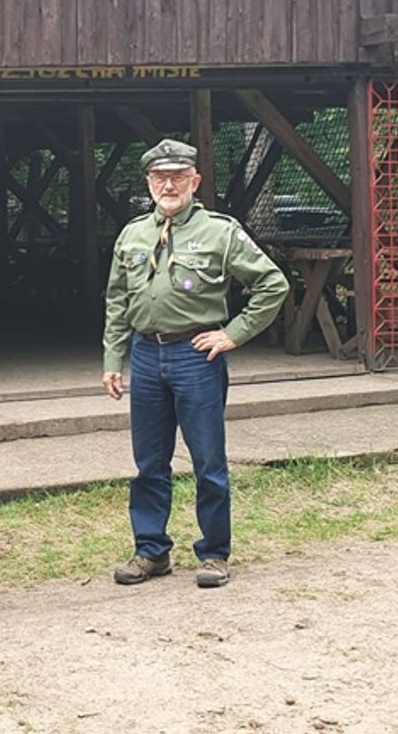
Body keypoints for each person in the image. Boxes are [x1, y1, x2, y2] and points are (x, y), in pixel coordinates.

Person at [101, 138, 288, 589]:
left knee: (208, 461)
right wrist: (113, 358)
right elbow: (117, 299)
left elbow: (272, 284)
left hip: (196, 355)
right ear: (148, 182)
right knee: (149, 462)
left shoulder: (220, 232)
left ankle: (214, 553)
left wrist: (232, 334)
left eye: (178, 177)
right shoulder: (132, 234)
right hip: (146, 355)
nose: (168, 186)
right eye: (159, 177)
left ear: (195, 181)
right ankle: (151, 551)